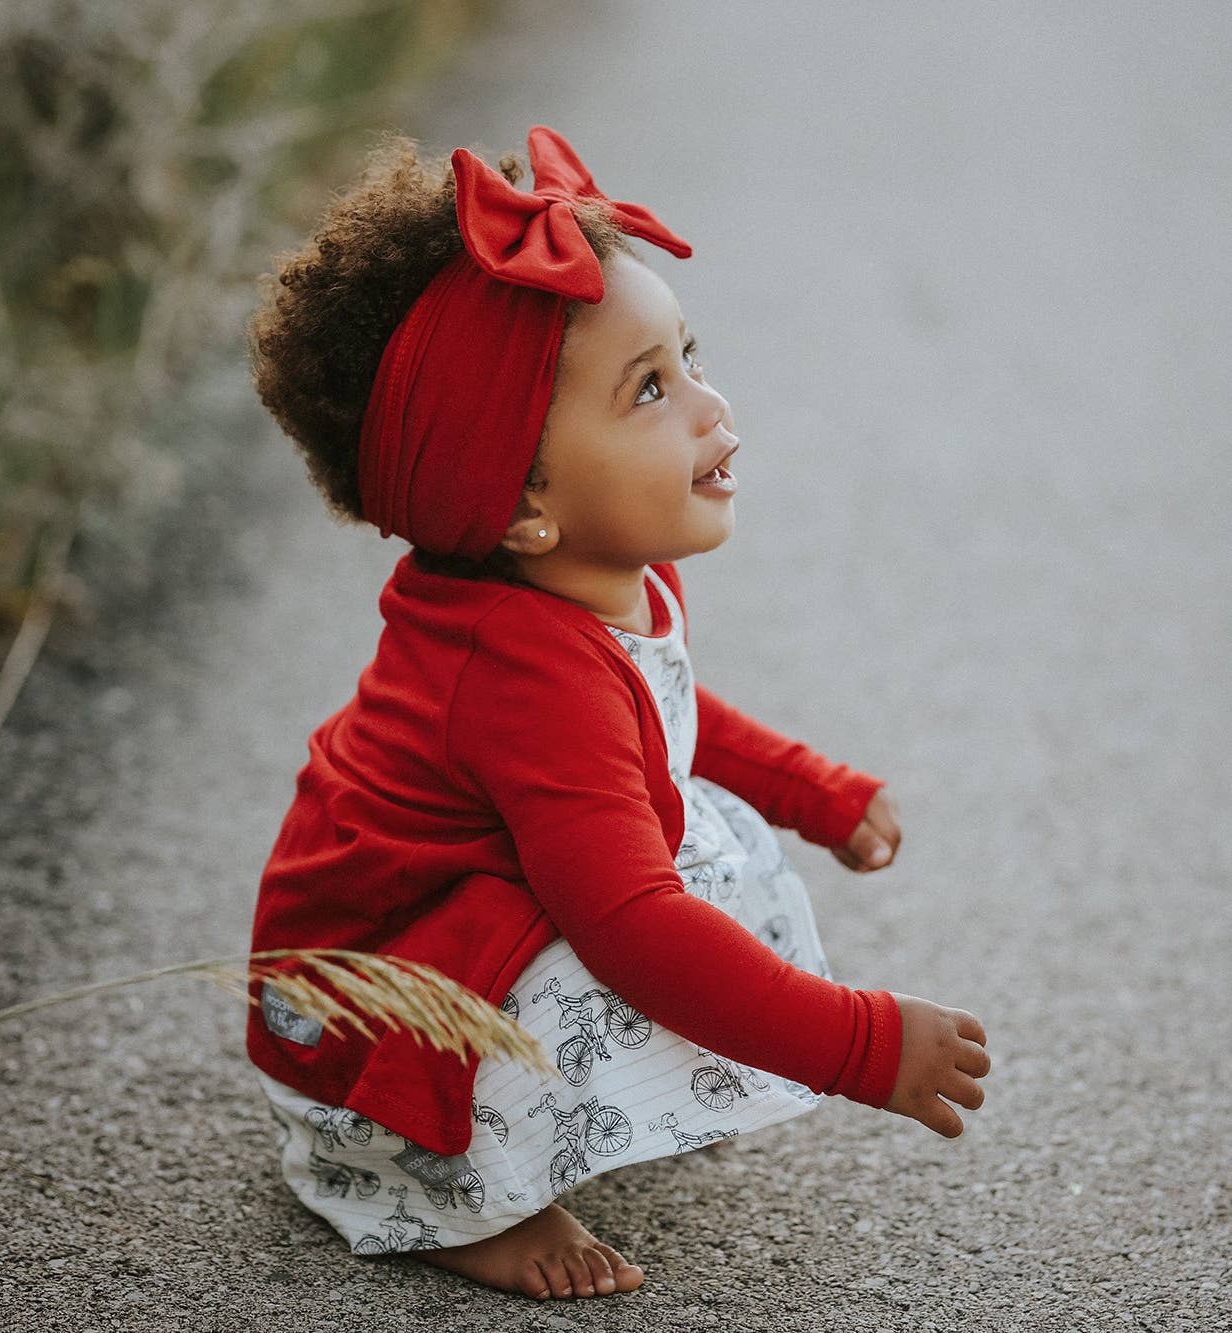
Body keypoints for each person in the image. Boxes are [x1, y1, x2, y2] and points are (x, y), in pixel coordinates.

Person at [243, 124, 992, 1302]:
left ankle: (606, 1093)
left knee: (706, 844)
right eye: (649, 388)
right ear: (522, 506)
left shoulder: (595, 582)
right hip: (371, 1013)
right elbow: (633, 927)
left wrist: (808, 789)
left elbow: (666, 712)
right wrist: (856, 1042)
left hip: (467, 910)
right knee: (636, 930)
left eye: (688, 354)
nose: (708, 403)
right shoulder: (516, 674)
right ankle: (452, 1196)